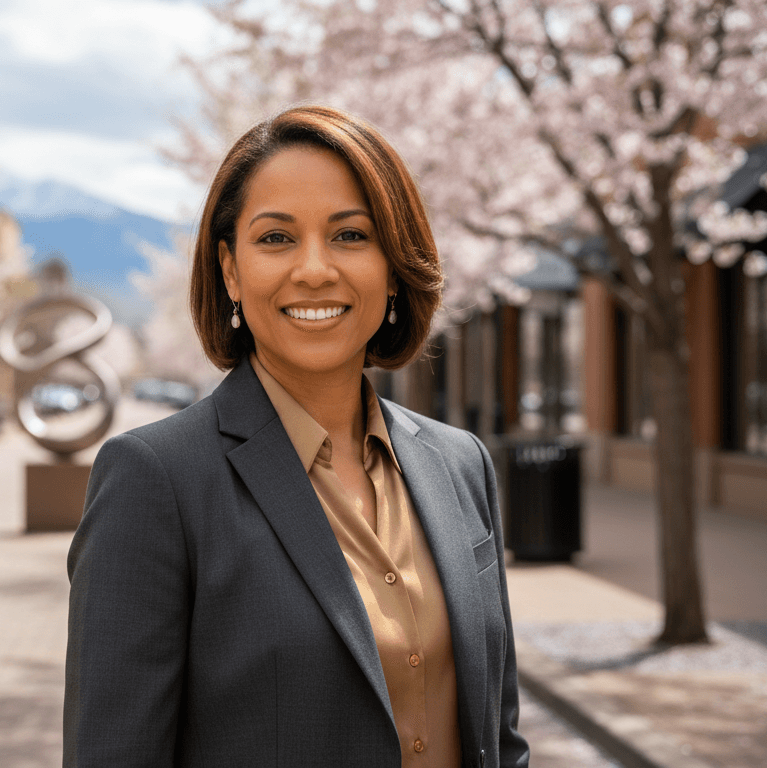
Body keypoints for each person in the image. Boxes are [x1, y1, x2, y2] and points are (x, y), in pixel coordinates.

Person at [64, 105, 530, 767]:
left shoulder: (460, 464)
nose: (314, 270)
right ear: (230, 270)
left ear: (394, 265)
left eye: (351, 236)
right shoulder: (156, 480)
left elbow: (500, 736)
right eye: (276, 239)